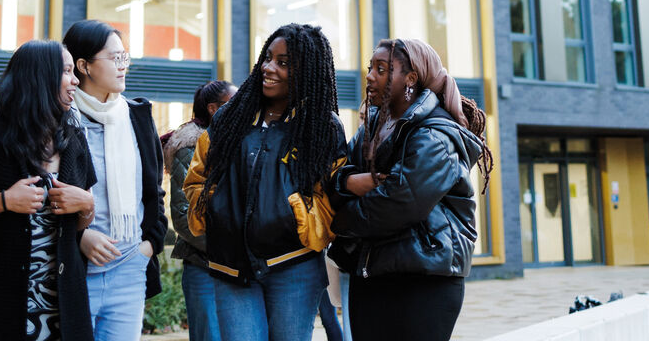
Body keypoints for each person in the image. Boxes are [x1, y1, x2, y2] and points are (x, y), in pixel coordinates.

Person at [184, 23, 346, 341]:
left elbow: (333, 196)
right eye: (268, 58)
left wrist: (290, 211)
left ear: (306, 71)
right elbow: (196, 179)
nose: (269, 68)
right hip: (231, 266)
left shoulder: (322, 127)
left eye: (283, 63)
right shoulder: (230, 118)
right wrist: (216, 209)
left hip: (295, 266)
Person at [328, 38, 493, 341]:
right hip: (373, 273)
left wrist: (335, 221)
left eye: (382, 69)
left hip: (424, 280)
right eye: (370, 68)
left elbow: (398, 203)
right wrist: (349, 182)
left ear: (410, 80)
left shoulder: (435, 135)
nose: (369, 76)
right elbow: (334, 176)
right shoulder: (373, 128)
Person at [0, 39, 97, 341]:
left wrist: (87, 205)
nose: (76, 79)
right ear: (40, 77)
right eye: (66, 71)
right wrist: (4, 201)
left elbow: (80, 223)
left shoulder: (74, 138)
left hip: (63, 307)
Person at [63, 20, 168, 341]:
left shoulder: (137, 116)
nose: (124, 67)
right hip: (76, 270)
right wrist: (79, 237)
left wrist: (149, 247)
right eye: (114, 58)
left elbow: (154, 192)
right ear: (84, 66)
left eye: (125, 58)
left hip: (130, 268)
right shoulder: (61, 121)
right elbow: (47, 195)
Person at [162, 80, 237, 341]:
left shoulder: (238, 141)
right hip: (204, 265)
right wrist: (225, 249)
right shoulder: (190, 148)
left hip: (235, 266)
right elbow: (183, 217)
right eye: (233, 102)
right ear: (214, 109)